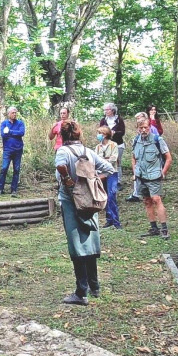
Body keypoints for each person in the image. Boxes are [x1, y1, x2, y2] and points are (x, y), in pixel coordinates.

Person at [54, 120, 115, 306]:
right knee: (90, 242)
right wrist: (93, 180)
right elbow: (110, 169)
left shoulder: (63, 151)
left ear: (62, 136)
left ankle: (81, 292)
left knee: (77, 246)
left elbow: (60, 165)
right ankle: (94, 286)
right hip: (89, 201)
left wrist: (67, 180)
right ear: (79, 134)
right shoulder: (88, 151)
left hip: (71, 202)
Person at [132, 118, 172, 239]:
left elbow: (168, 158)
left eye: (146, 127)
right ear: (138, 129)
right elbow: (133, 157)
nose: (143, 130)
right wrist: (135, 172)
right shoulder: (135, 140)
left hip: (154, 175)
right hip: (141, 176)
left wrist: (163, 172)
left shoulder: (157, 140)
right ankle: (154, 228)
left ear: (150, 127)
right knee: (146, 201)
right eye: (141, 128)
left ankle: (164, 229)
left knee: (156, 199)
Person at [94, 126, 121, 229]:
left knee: (112, 194)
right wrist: (105, 159)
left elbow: (114, 159)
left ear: (105, 134)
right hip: (101, 174)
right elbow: (95, 160)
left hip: (112, 172)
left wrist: (102, 160)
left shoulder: (113, 145)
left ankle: (116, 221)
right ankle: (109, 219)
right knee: (104, 196)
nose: (98, 135)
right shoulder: (97, 147)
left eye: (100, 133)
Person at [0, 106, 26, 196]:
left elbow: (21, 133)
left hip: (18, 149)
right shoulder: (4, 123)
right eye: (13, 113)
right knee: (4, 168)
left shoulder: (20, 123)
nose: (14, 114)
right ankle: (0, 189)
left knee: (16, 169)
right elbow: (3, 134)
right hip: (7, 150)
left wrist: (10, 132)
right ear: (8, 114)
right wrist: (14, 133)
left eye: (15, 113)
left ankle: (14, 190)